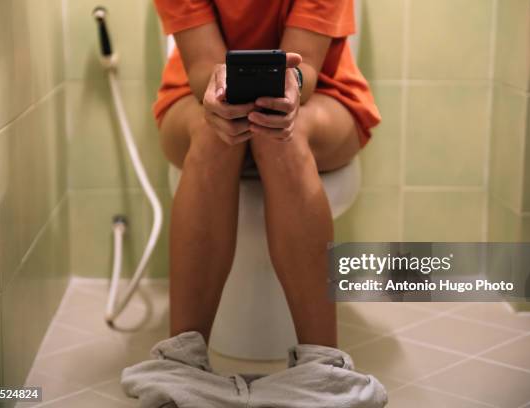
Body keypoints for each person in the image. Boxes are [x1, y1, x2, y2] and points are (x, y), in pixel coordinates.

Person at [154, 0, 380, 349]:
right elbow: (201, 65)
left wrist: (289, 87)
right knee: (216, 131)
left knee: (279, 135)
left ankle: (322, 365)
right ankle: (182, 361)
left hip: (323, 95)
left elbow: (305, 63)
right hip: (196, 97)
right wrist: (222, 97)